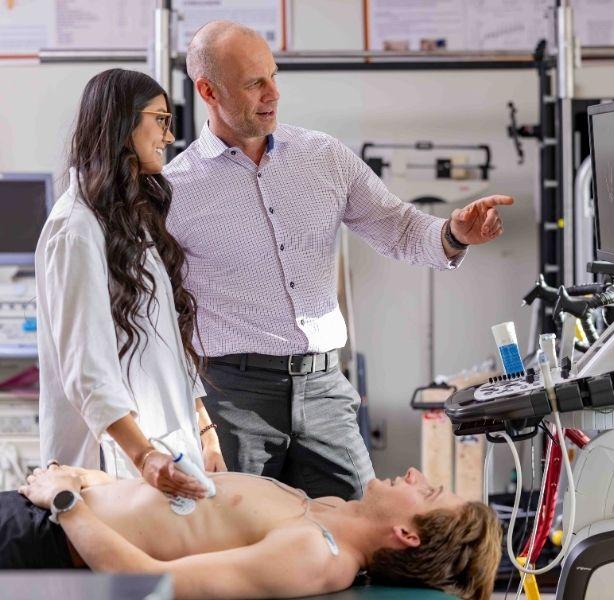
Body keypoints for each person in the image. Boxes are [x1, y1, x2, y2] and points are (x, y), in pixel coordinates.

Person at [163, 20, 515, 499]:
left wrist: (454, 234)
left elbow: (399, 226)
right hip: (233, 397)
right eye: (254, 83)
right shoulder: (173, 190)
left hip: (325, 388)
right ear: (208, 90)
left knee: (367, 532)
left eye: (273, 75)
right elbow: (159, 315)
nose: (273, 93)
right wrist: (197, 417)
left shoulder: (322, 157)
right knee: (244, 545)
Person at [35, 69, 226, 498]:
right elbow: (86, 370)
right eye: (160, 118)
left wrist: (205, 431)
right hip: (117, 462)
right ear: (122, 124)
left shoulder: (129, 220)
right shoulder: (75, 228)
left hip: (162, 454)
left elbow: (166, 346)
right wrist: (142, 456)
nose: (170, 134)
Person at [11, 463, 502, 600]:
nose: (415, 474)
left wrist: (65, 502)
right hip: (46, 510)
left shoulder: (315, 554)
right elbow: (166, 509)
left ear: (406, 534)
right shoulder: (327, 509)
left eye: (429, 492)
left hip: (43, 540)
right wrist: (84, 481)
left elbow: (148, 581)